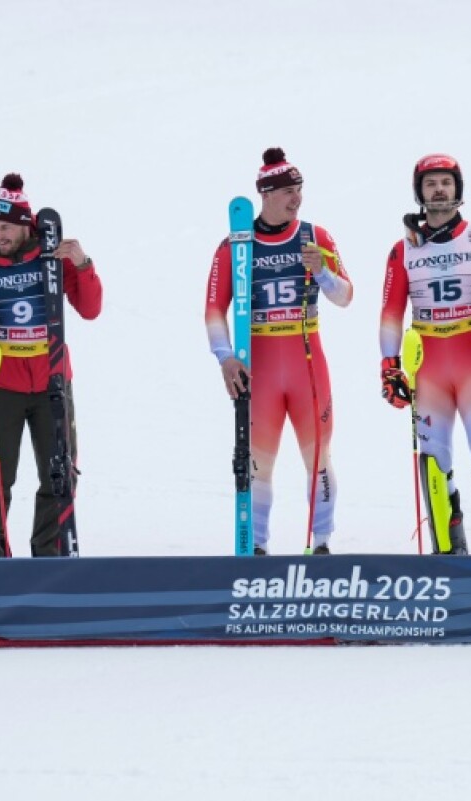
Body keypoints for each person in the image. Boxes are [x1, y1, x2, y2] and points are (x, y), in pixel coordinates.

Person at [205, 148, 353, 555]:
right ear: (266, 194)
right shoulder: (235, 244)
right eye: (288, 191)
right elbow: (214, 309)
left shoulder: (316, 236)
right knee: (259, 466)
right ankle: (257, 547)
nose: (297, 198)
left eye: (299, 189)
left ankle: (321, 543)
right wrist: (225, 357)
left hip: (308, 366)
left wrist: (321, 271)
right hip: (262, 371)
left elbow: (346, 297)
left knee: (319, 459)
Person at [378, 153, 471, 555]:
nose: (439, 190)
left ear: (458, 189)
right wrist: (390, 367)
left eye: (446, 182)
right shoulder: (403, 250)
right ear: (419, 193)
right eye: (431, 184)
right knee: (434, 458)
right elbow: (390, 314)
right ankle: (448, 549)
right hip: (429, 369)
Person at [0, 173, 103, 557]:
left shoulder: (51, 255)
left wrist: (82, 264)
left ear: (24, 225)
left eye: (5, 227)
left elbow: (90, 309)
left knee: (60, 472)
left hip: (52, 378)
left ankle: (48, 555)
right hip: (2, 383)